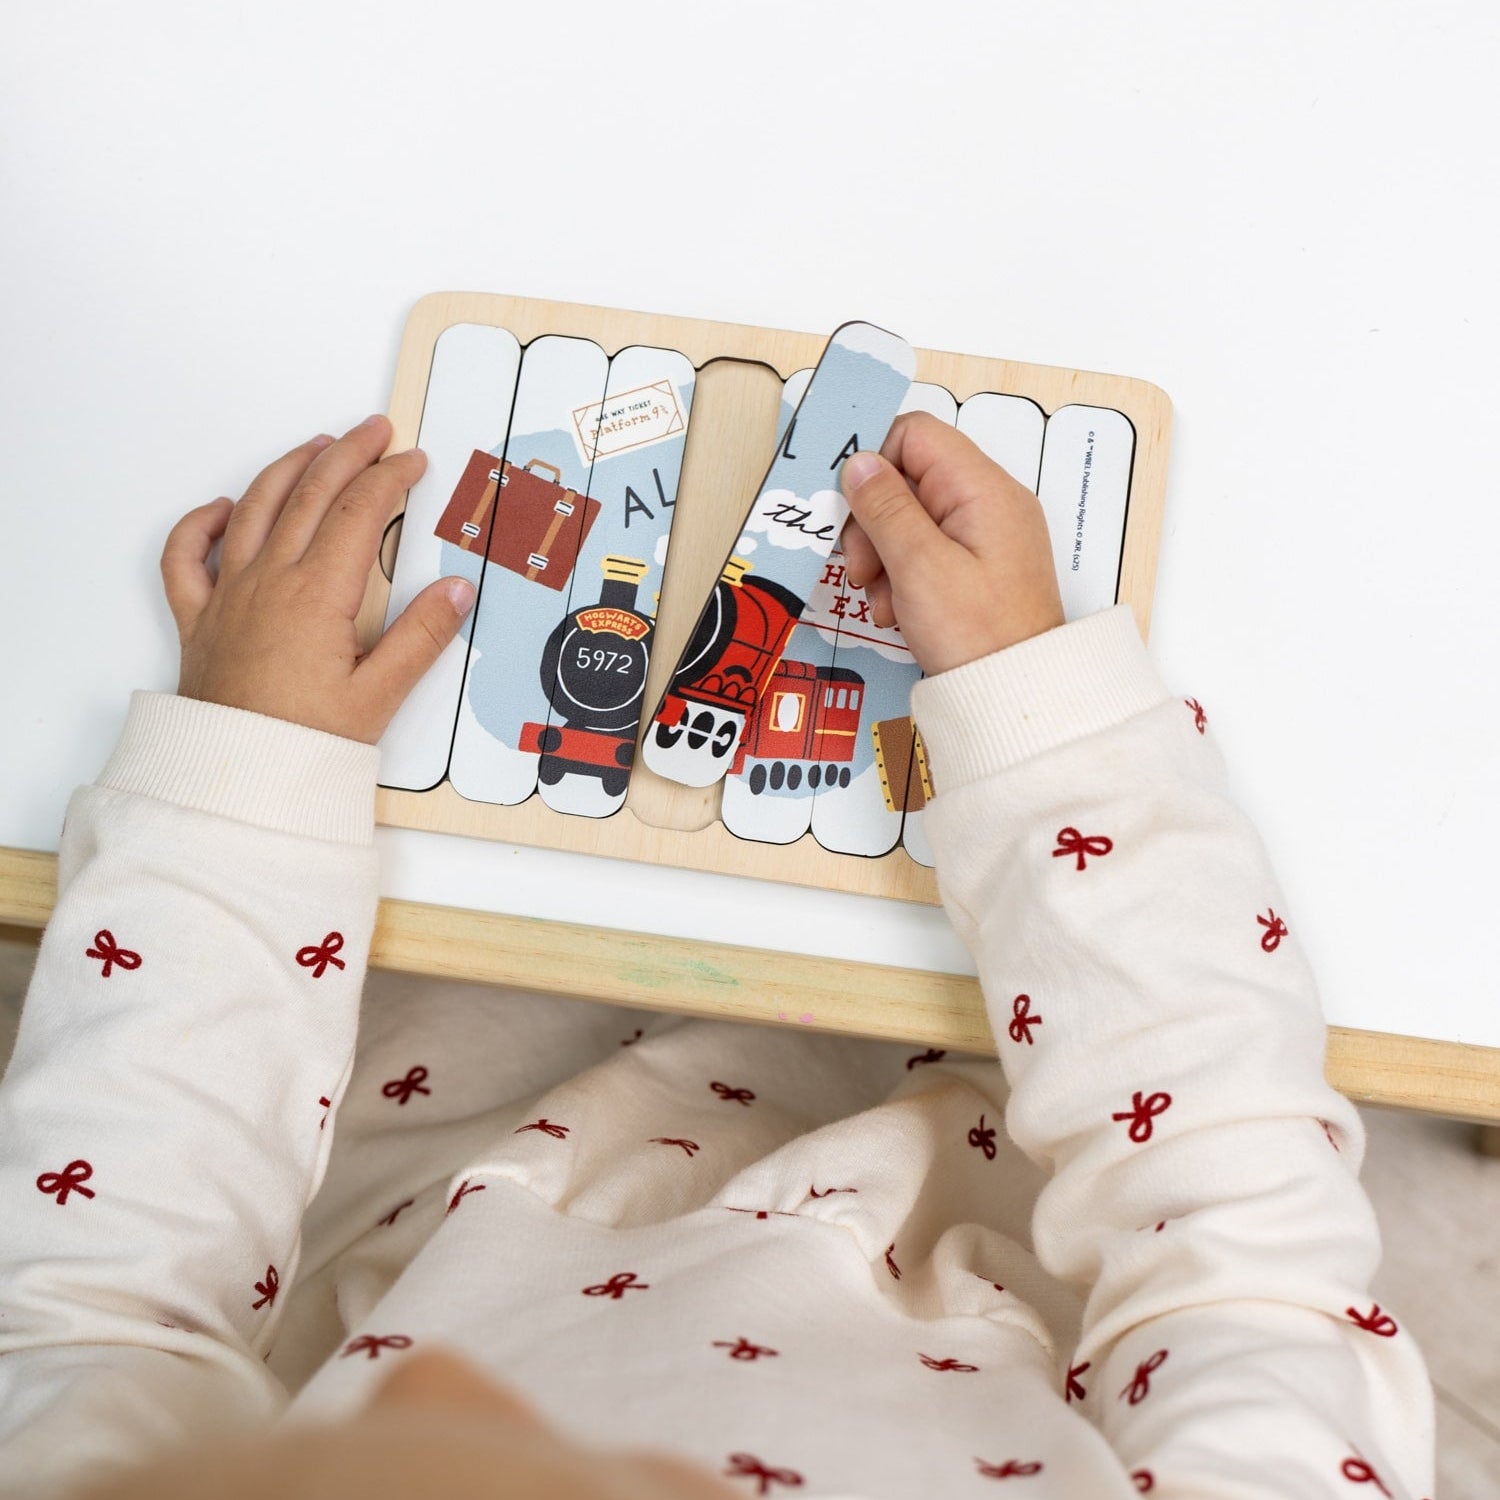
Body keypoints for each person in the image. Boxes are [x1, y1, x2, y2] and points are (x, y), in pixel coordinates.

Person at [0, 412, 1434, 1500]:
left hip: (414, 1123)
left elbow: (96, 1301)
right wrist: (1048, 723)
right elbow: (1242, 1244)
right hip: (1032, 1139)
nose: (436, 1382)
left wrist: (245, 765)